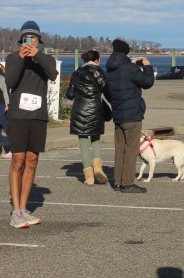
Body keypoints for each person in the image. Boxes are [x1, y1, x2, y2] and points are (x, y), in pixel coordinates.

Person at [5, 20, 59, 228]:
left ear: (39, 41)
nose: (30, 41)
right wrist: (21, 58)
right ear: (21, 40)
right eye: (26, 38)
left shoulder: (45, 59)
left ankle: (24, 208)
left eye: (33, 38)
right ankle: (16, 211)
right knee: (18, 160)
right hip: (18, 116)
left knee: (32, 160)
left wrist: (37, 55)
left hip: (38, 115)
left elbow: (53, 74)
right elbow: (10, 82)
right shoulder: (13, 58)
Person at [105, 39, 155, 194]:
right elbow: (147, 82)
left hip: (118, 114)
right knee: (131, 149)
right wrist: (147, 67)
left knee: (120, 149)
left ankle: (118, 181)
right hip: (132, 115)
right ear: (126, 52)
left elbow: (107, 91)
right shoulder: (130, 68)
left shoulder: (110, 69)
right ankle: (127, 183)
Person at [65, 49, 110, 186]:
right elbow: (106, 89)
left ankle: (89, 177)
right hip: (95, 109)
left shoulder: (76, 73)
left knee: (83, 143)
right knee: (95, 140)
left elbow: (69, 94)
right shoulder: (98, 71)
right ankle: (98, 168)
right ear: (97, 60)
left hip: (79, 109)